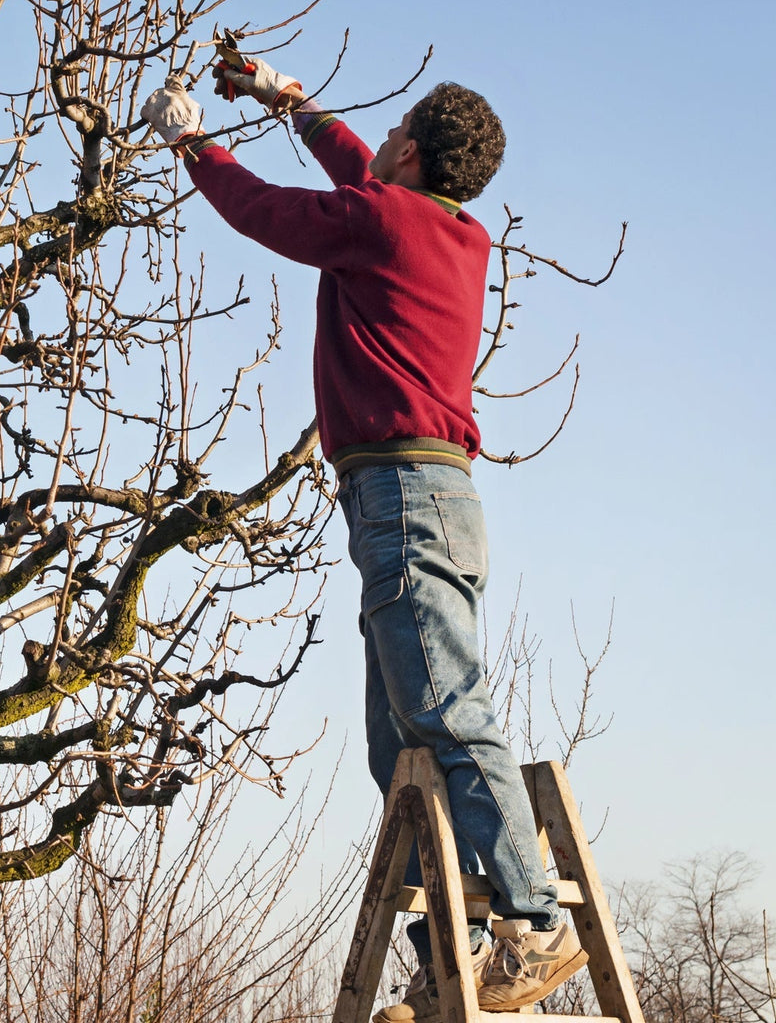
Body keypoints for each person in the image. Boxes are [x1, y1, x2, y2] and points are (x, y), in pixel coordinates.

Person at [140, 61, 588, 1019]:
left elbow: (271, 213)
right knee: (403, 752)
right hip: (435, 498)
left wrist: (190, 143)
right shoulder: (457, 234)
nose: (375, 143)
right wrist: (287, 100)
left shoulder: (380, 222)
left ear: (412, 154)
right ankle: (452, 962)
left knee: (446, 714)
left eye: (391, 137)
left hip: (401, 497)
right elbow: (363, 171)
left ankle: (537, 924)